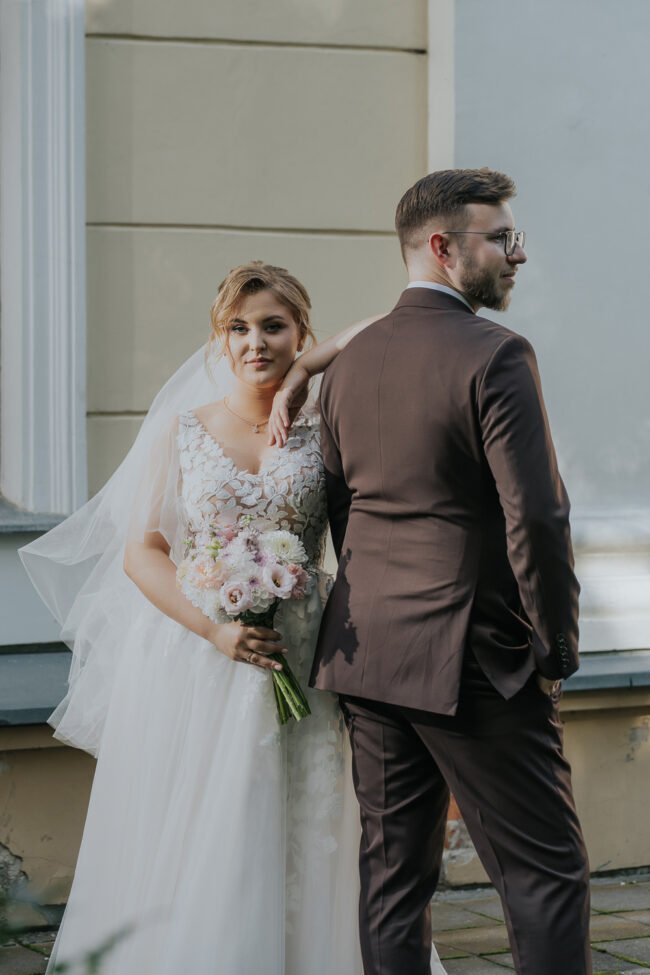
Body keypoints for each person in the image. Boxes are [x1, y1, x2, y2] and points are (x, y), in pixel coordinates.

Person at [22, 262, 414, 975]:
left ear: (302, 333)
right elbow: (142, 552)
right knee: (208, 816)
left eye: (273, 326)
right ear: (219, 338)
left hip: (303, 651)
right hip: (199, 656)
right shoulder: (183, 431)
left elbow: (389, 326)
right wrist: (215, 629)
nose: (254, 342)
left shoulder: (326, 427)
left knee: (304, 814)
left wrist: (310, 373)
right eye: (238, 327)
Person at [272, 169, 592, 975]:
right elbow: (537, 517)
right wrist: (554, 648)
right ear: (444, 247)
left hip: (367, 655)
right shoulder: (498, 354)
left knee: (392, 881)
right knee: (544, 873)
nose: (518, 254)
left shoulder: (348, 365)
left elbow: (344, 511)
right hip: (475, 659)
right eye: (502, 238)